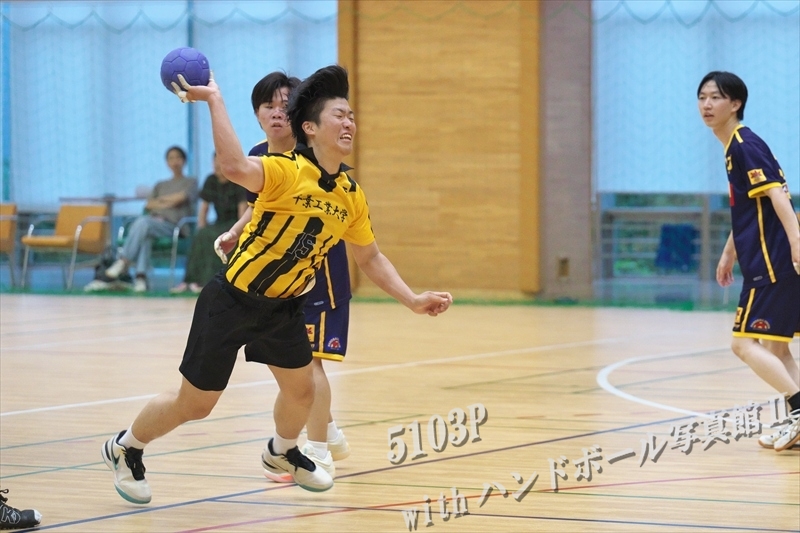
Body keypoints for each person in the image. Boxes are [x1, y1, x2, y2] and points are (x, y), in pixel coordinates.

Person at [101, 65, 452, 504]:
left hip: (283, 308)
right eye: (338, 115)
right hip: (232, 300)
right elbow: (233, 166)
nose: (349, 123)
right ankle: (126, 447)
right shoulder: (285, 170)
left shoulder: (350, 194)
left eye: (351, 116)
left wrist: (412, 299)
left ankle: (282, 451)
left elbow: (370, 257)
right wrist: (214, 100)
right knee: (196, 404)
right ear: (310, 128)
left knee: (302, 390)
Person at [214, 71, 352, 481]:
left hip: (319, 271)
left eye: (284, 105)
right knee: (294, 368)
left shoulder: (313, 155)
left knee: (310, 366)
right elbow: (264, 206)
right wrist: (235, 232)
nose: (277, 112)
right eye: (268, 105)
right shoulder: (260, 154)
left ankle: (319, 451)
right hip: (277, 277)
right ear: (257, 114)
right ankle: (328, 431)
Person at [698, 71, 800, 452]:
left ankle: (799, 411)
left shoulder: (744, 144)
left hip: (772, 262)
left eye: (715, 97)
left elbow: (777, 196)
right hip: (765, 259)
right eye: (702, 97)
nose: (707, 105)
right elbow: (749, 207)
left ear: (735, 104)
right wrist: (729, 252)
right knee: (776, 348)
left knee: (742, 344)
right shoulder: (735, 148)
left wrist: (796, 243)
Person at [102, 146, 198, 292]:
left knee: (143, 222)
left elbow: (181, 198)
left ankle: (123, 261)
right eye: (171, 158)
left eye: (178, 158)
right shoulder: (161, 185)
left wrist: (160, 200)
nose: (174, 161)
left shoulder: (191, 182)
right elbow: (149, 204)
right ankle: (141, 278)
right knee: (145, 233)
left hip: (175, 227)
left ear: (184, 161)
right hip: (154, 224)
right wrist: (167, 201)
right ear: (167, 162)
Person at [170, 153, 247, 294]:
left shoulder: (238, 181)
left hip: (234, 224)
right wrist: (201, 226)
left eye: (221, 162)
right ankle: (190, 280)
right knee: (202, 234)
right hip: (218, 222)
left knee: (218, 237)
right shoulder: (211, 180)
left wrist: (238, 232)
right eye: (215, 162)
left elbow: (242, 212)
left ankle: (209, 281)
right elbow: (204, 209)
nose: (217, 165)